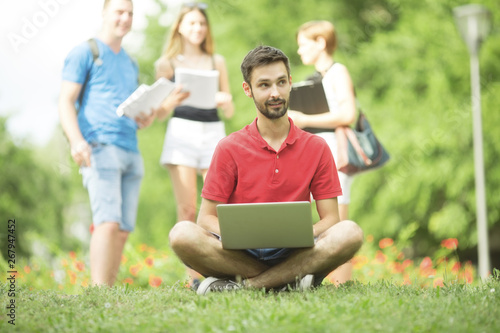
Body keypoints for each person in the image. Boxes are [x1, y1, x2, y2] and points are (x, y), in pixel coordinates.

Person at [168, 45, 363, 295]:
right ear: (247, 90)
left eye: (281, 82)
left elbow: (332, 219)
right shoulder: (229, 147)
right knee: (182, 234)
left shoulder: (317, 147)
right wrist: (238, 235)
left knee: (350, 232)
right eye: (264, 85)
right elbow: (205, 218)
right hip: (238, 253)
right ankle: (290, 280)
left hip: (296, 251)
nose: (275, 93)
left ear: (290, 82)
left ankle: (246, 287)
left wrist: (303, 234)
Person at [58, 0, 155, 286]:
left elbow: (125, 106)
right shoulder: (85, 52)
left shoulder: (130, 62)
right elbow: (65, 101)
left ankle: (109, 292)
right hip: (99, 147)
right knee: (107, 222)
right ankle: (99, 292)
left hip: (130, 150)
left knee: (123, 228)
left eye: (130, 14)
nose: (125, 18)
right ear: (104, 13)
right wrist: (76, 141)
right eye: (119, 12)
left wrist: (143, 118)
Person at [154, 2, 234, 288]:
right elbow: (158, 113)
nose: (197, 29)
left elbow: (230, 110)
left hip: (213, 131)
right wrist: (171, 100)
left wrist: (226, 100)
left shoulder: (217, 60)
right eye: (191, 23)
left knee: (218, 205)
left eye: (201, 23)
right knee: (187, 209)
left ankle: (222, 269)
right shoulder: (167, 64)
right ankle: (193, 279)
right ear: (179, 27)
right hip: (181, 132)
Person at [288, 20, 358, 285]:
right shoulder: (314, 79)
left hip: (335, 151)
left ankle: (342, 284)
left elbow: (348, 113)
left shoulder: (337, 72)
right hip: (315, 152)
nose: (299, 51)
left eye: (303, 44)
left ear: (320, 42)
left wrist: (305, 118)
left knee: (339, 221)